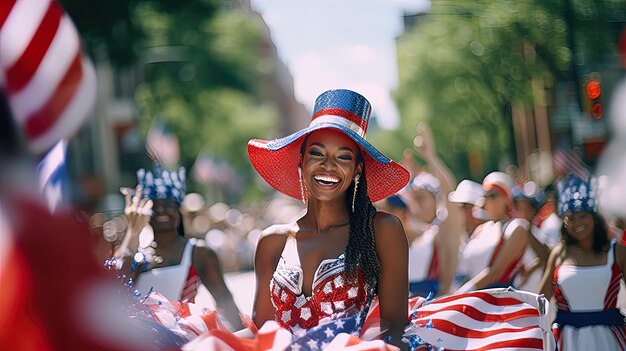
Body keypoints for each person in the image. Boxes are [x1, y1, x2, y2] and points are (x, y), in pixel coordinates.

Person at [248, 89, 410, 348]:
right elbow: (261, 335)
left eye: (343, 157)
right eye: (317, 153)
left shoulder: (381, 230)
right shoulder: (271, 241)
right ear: (301, 161)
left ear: (358, 169)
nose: (328, 165)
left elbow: (393, 333)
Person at [112, 165, 244, 330]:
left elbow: (224, 300)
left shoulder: (199, 253)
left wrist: (247, 342)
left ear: (178, 211)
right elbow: (113, 284)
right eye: (154, 206)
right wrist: (133, 231)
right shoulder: (138, 258)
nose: (161, 211)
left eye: (168, 205)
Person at [539, 174, 626, 350]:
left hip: (609, 340)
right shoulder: (558, 254)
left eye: (583, 215)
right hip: (567, 341)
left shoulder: (617, 251)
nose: (577, 223)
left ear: (594, 216)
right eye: (570, 217)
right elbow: (540, 302)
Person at [403, 123, 462, 298]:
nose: (416, 203)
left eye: (421, 197)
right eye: (414, 198)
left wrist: (430, 156)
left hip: (438, 308)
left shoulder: (444, 225)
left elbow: (448, 191)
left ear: (435, 199)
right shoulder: (412, 230)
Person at [456, 171, 530, 293]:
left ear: (507, 198)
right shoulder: (481, 229)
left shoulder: (517, 227)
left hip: (497, 302)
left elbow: (496, 271)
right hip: (473, 299)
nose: (487, 200)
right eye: (485, 195)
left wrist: (462, 293)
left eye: (493, 195)